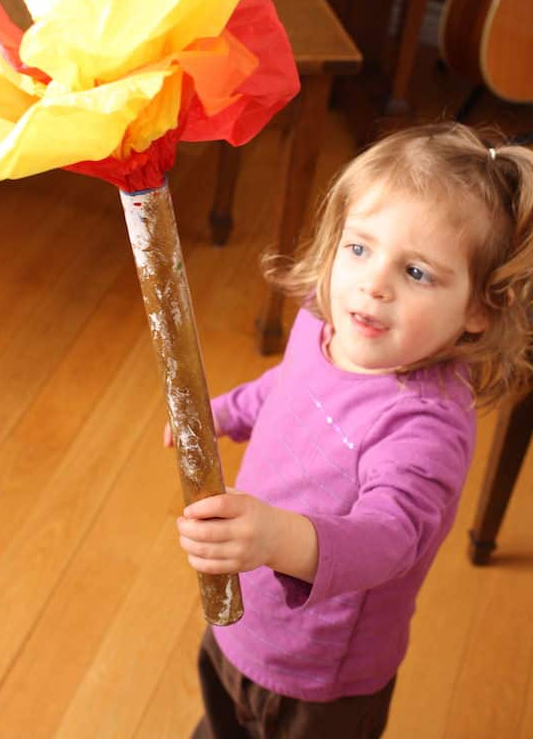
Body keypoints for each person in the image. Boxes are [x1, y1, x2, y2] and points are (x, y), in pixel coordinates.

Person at [166, 122, 533, 738]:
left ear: (478, 309)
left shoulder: (426, 426)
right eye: (359, 248)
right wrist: (226, 411)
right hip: (245, 615)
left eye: (417, 273)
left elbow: (390, 539)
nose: (373, 283)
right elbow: (287, 388)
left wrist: (278, 539)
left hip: (320, 677)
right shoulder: (322, 322)